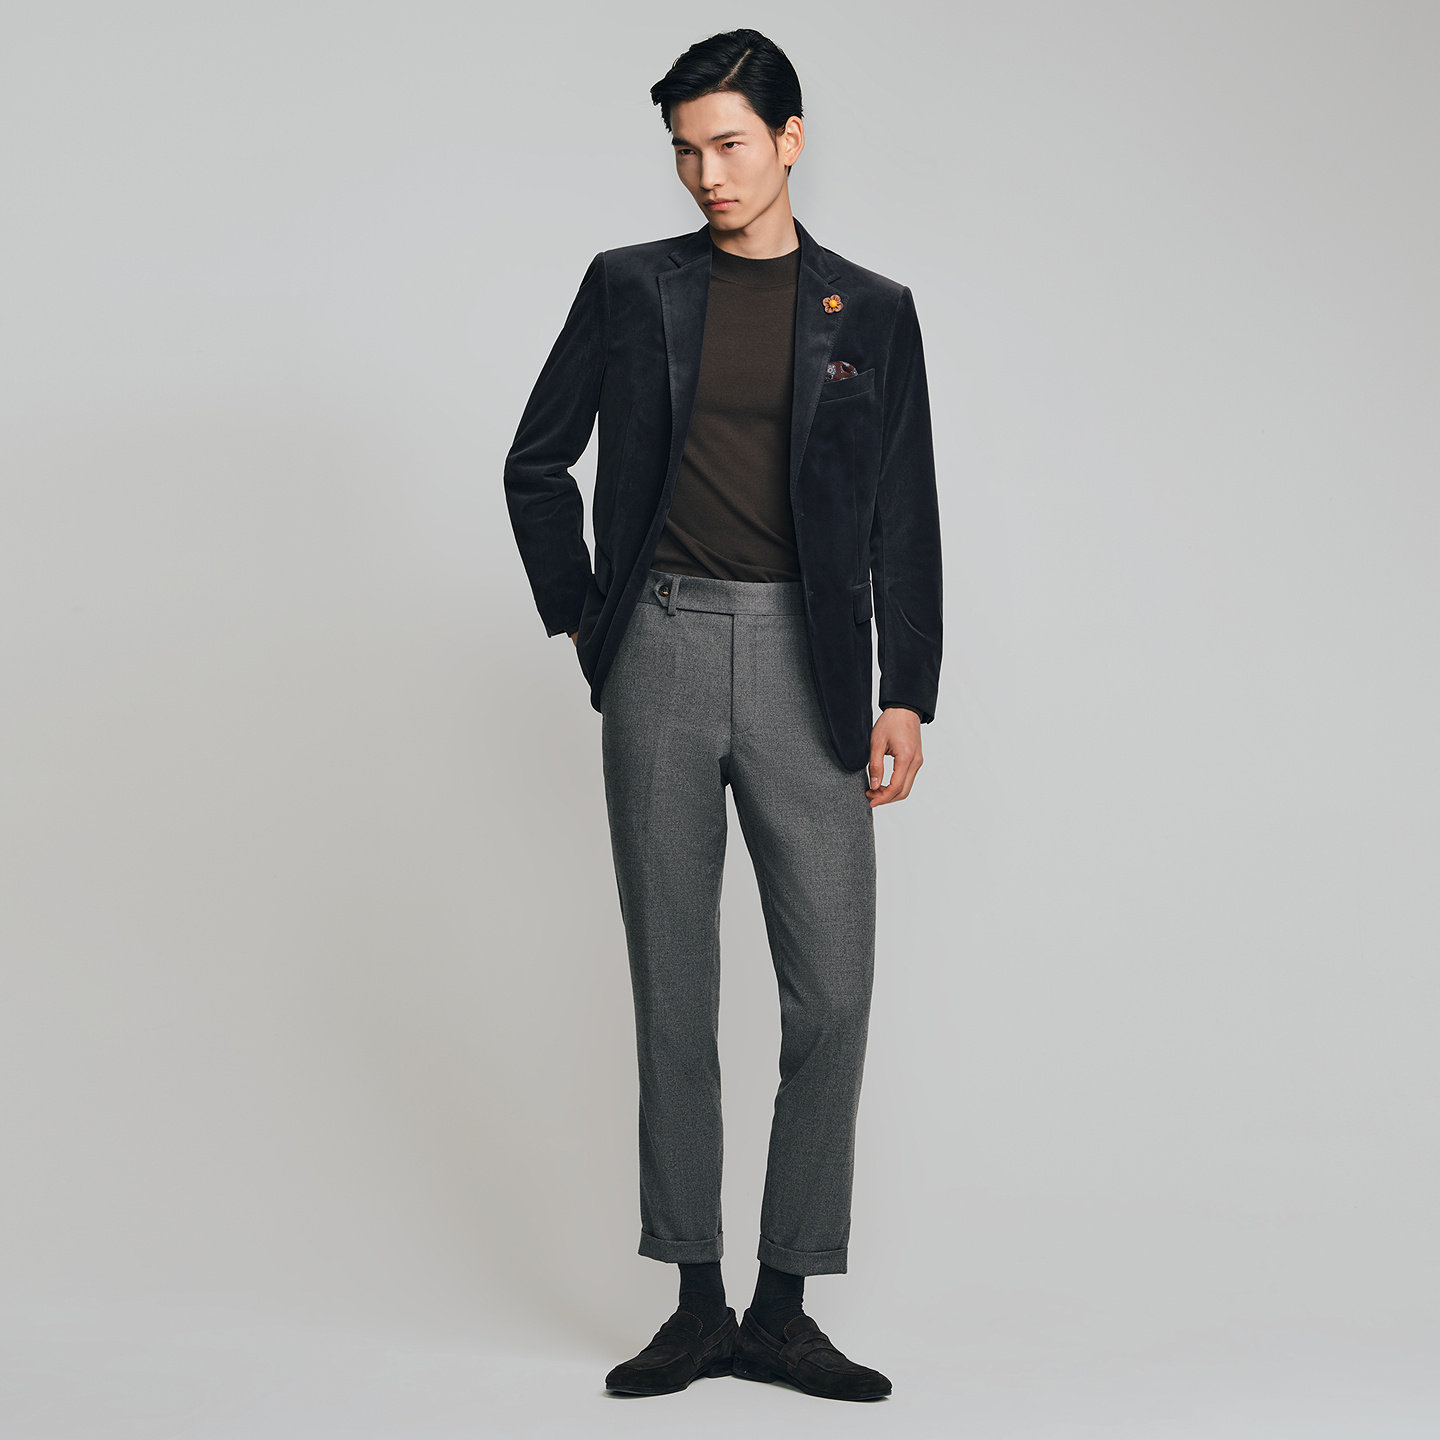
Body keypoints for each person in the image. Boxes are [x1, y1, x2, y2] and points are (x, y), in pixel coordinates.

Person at [503, 27, 942, 1403]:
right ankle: (696, 1302)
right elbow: (535, 462)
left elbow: (904, 512)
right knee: (674, 990)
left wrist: (908, 689)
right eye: (686, 151)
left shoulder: (872, 312)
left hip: (815, 666)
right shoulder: (631, 287)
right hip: (664, 648)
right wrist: (590, 621)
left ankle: (785, 1307)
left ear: (790, 140)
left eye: (731, 144)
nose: (707, 173)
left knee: (835, 994)